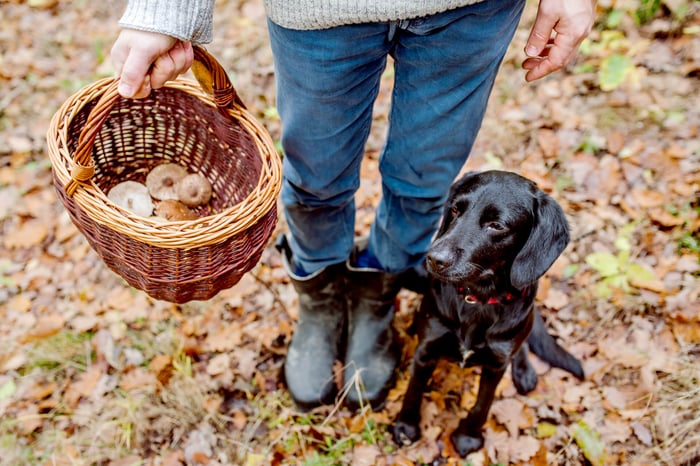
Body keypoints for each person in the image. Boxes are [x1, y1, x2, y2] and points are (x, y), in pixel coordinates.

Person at [111, 0, 595, 412]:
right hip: (318, 11)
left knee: (424, 183)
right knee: (315, 180)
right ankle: (320, 300)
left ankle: (376, 296)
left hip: (470, 12)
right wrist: (166, 11)